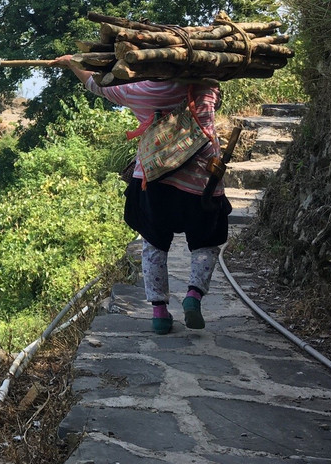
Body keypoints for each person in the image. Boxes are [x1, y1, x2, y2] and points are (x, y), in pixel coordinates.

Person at [54, 55, 232, 335]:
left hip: (154, 179)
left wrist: (71, 63)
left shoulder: (139, 91)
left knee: (154, 244)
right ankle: (193, 296)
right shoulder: (207, 85)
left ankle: (159, 313)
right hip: (202, 180)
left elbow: (95, 84)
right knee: (206, 243)